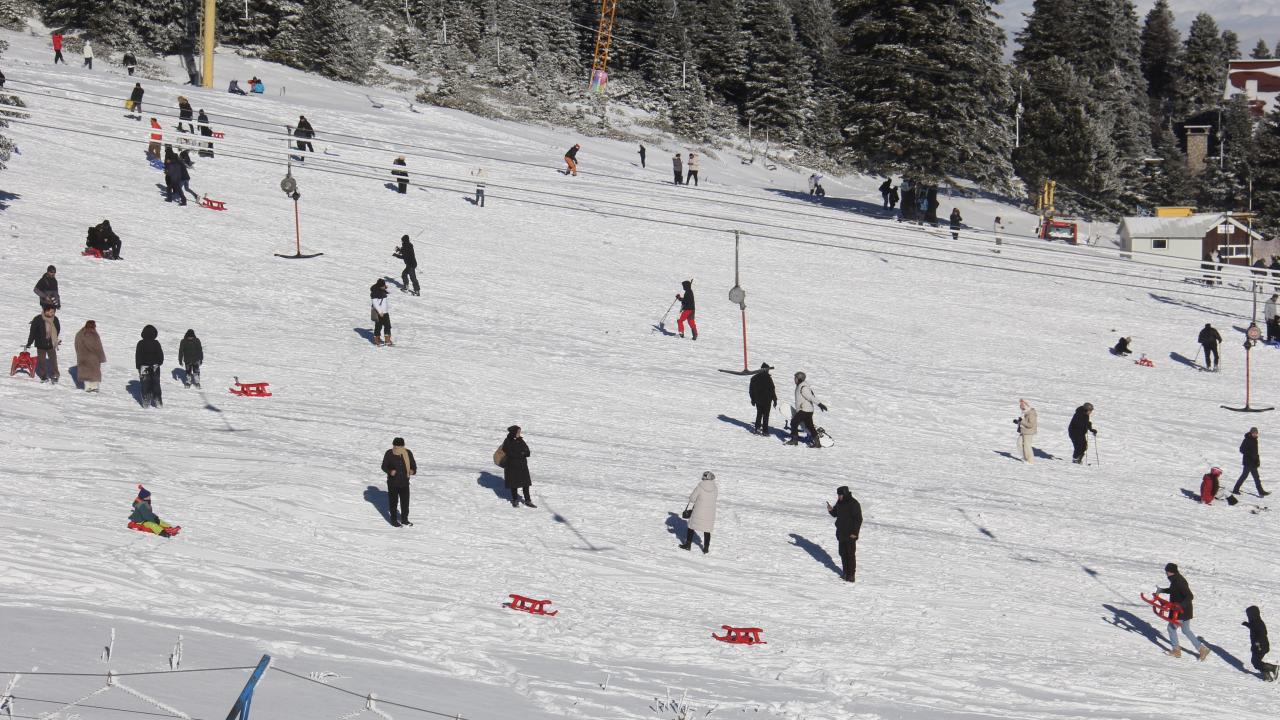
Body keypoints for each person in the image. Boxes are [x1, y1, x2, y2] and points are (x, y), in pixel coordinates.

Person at [1156, 563, 1210, 661]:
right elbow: (1174, 590)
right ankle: (1202, 649)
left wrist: (1180, 606)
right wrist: (1162, 590)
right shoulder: (1176, 579)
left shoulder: (1179, 581)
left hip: (1180, 611)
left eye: (1166, 571)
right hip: (1186, 610)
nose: (1166, 573)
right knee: (1186, 630)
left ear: (1169, 572)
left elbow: (1190, 596)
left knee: (1171, 628)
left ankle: (1176, 650)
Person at [826, 486, 862, 582]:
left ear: (845, 494)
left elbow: (858, 519)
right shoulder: (840, 503)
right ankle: (845, 573)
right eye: (838, 495)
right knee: (843, 553)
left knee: (850, 554)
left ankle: (851, 575)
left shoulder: (854, 504)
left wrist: (855, 532)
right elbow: (835, 513)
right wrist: (830, 510)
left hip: (850, 534)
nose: (838, 497)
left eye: (840, 495)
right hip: (841, 533)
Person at [380, 437, 417, 527]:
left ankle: (404, 520)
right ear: (393, 445)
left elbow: (413, 465)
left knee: (405, 503)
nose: (397, 448)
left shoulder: (408, 453)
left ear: (403, 446)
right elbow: (384, 466)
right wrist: (390, 471)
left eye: (399, 446)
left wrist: (412, 471)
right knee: (393, 503)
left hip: (404, 482)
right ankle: (393, 521)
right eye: (395, 446)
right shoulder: (389, 453)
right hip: (393, 483)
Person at [679, 471, 718, 552]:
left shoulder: (700, 486)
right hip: (710, 513)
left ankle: (688, 545)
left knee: (691, 527)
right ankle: (706, 548)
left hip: (698, 511)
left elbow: (692, 499)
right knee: (707, 530)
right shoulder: (715, 488)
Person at [786, 371, 827, 447]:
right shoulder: (801, 386)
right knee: (809, 426)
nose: (794, 379)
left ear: (799, 379)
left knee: (794, 422)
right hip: (808, 410)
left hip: (804, 410)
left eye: (795, 378)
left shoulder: (803, 387)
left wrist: (820, 404)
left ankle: (794, 440)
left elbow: (811, 397)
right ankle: (817, 443)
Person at [25, 306, 61, 383]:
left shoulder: (55, 319)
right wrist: (29, 343)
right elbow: (32, 332)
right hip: (40, 345)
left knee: (53, 360)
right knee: (42, 361)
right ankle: (44, 376)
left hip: (51, 344)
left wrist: (54, 338)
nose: (52, 313)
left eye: (53, 312)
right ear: (45, 311)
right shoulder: (37, 319)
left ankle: (55, 374)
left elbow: (58, 329)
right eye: (51, 312)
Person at [501, 425, 535, 508]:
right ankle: (515, 500)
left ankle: (528, 500)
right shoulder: (507, 441)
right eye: (518, 432)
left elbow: (528, 452)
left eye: (520, 432)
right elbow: (509, 453)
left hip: (522, 466)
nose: (519, 433)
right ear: (514, 432)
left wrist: (521, 453)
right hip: (512, 466)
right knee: (514, 484)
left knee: (525, 484)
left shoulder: (521, 440)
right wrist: (521, 453)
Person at [1243, 606, 1278, 681]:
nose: (1248, 616)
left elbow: (1262, 632)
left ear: (1253, 614)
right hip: (1259, 646)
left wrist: (1257, 643)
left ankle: (1273, 668)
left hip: (1260, 646)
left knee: (1255, 662)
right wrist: (1247, 624)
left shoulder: (1257, 622)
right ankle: (1267, 675)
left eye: (1249, 614)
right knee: (1256, 661)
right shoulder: (1256, 621)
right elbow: (1254, 628)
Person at [1232, 427, 1269, 498]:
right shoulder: (1247, 440)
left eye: (1256, 433)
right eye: (1254, 433)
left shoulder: (1255, 440)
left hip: (1253, 463)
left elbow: (1255, 452)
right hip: (1248, 462)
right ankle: (1235, 490)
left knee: (1256, 477)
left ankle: (1261, 492)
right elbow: (1241, 449)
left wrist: (1257, 460)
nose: (1255, 434)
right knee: (1244, 476)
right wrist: (1250, 455)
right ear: (1251, 433)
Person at [135, 324, 164, 408]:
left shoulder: (140, 343)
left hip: (144, 367)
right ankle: (158, 401)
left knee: (145, 384)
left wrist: (138, 367)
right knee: (156, 383)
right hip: (155, 366)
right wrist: (159, 363)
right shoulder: (156, 343)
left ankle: (146, 402)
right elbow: (160, 355)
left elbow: (138, 356)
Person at [74, 320, 106, 392]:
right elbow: (98, 347)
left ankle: (87, 387)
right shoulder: (93, 334)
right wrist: (101, 357)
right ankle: (94, 387)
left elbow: (76, 344)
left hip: (82, 356)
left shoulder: (80, 333)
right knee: (94, 371)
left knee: (85, 372)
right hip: (93, 357)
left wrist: (79, 353)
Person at [749, 363, 778, 435]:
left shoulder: (754, 378)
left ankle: (757, 429)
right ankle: (765, 431)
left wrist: (753, 399)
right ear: (766, 370)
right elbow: (772, 389)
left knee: (759, 414)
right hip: (767, 400)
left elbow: (751, 390)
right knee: (766, 415)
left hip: (758, 400)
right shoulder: (768, 378)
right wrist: (775, 400)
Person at [370, 279, 392, 346]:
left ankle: (387, 340)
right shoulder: (375, 292)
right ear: (379, 286)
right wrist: (380, 312)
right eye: (383, 285)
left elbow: (390, 292)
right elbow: (375, 303)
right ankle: (377, 340)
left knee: (388, 326)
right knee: (378, 326)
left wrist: (386, 287)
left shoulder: (383, 290)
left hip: (385, 312)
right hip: (379, 312)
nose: (384, 286)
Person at [1015, 398, 1037, 463]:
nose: (1021, 405)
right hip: (1023, 431)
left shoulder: (1031, 413)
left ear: (1026, 404)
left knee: (1027, 446)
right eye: (1020, 404)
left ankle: (1030, 461)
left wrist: (1021, 421)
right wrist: (1018, 422)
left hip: (1028, 432)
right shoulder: (1024, 412)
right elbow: (1023, 421)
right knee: (1019, 443)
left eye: (1022, 404)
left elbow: (1030, 425)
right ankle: (1025, 458)